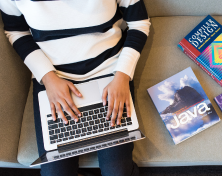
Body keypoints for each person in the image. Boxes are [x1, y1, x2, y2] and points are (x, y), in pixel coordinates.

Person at [0, 0, 151, 175]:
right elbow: (17, 32)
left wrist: (123, 76)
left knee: (118, 170)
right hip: (53, 77)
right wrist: (48, 79)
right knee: (55, 172)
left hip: (110, 72)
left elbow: (139, 22)